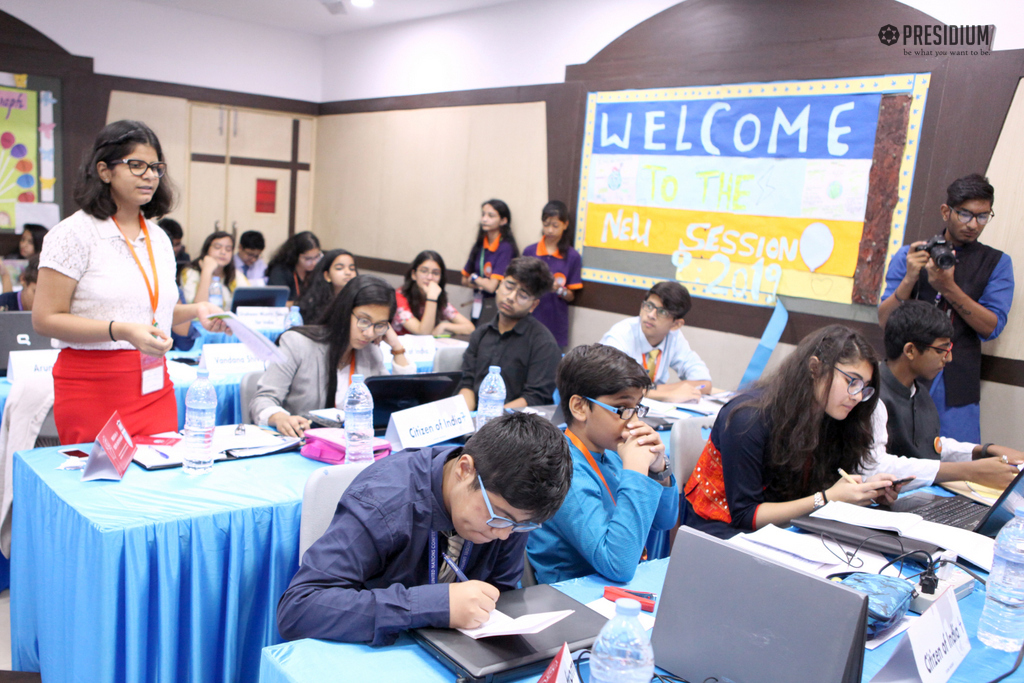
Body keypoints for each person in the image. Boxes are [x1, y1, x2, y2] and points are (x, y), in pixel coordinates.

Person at [277, 412, 573, 644]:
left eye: (520, 526)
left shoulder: (511, 512)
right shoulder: (383, 501)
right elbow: (299, 609)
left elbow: (502, 595)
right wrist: (432, 605)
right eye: (499, 516)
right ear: (464, 469)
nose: (504, 534)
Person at [33, 120, 226, 444]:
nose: (150, 175)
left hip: (154, 384)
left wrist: (197, 310)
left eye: (156, 167)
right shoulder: (73, 234)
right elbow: (45, 319)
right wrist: (121, 330)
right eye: (137, 165)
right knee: (101, 476)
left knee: (161, 472)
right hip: (93, 386)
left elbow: (151, 314)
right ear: (104, 171)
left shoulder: (159, 239)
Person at [683, 326, 900, 539]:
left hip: (788, 528)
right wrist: (827, 499)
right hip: (722, 532)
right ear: (815, 368)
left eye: (864, 387)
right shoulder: (748, 419)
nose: (857, 396)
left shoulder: (835, 419)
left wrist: (863, 494)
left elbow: (821, 490)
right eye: (852, 381)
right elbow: (746, 515)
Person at [877, 174, 1013, 443]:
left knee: (957, 458)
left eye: (983, 216)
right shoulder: (911, 255)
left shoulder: (996, 263)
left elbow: (992, 327)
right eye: (965, 214)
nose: (973, 225)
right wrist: (909, 279)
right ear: (945, 211)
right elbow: (885, 320)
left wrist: (947, 287)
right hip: (905, 372)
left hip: (957, 380)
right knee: (893, 451)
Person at [527, 344, 677, 583]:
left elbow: (664, 521)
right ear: (579, 407)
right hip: (571, 593)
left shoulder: (614, 451)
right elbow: (618, 565)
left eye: (637, 408)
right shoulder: (562, 471)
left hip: (610, 585)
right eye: (622, 409)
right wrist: (636, 472)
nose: (634, 422)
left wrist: (658, 470)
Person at [874, 300, 1021, 488]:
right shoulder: (872, 396)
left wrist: (983, 451)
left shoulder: (919, 393)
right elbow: (876, 465)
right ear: (910, 350)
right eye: (941, 350)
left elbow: (930, 446)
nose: (949, 358)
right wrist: (968, 471)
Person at [250, 274, 415, 438]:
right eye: (364, 321)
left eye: (379, 325)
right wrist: (280, 418)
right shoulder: (297, 343)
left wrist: (397, 347)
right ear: (344, 311)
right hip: (302, 441)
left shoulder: (370, 352)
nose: (369, 333)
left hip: (350, 444)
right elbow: (263, 399)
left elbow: (400, 402)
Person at [457, 256, 560, 410]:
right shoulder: (480, 334)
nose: (511, 298)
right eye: (509, 286)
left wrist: (491, 418)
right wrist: (467, 418)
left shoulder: (543, 344)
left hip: (516, 421)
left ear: (533, 305)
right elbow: (467, 383)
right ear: (499, 285)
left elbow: (534, 398)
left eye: (523, 295)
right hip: (477, 418)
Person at [600, 281, 712, 403]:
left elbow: (704, 383)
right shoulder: (620, 335)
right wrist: (667, 394)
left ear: (676, 324)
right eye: (649, 306)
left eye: (662, 312)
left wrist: (652, 390)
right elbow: (612, 387)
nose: (651, 315)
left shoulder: (674, 337)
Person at [522, 201, 582, 349]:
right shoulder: (530, 251)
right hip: (528, 316)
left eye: (555, 225)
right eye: (546, 224)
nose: (549, 230)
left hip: (555, 322)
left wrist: (558, 289)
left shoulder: (572, 256)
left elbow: (571, 296)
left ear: (565, 225)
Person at [461, 199, 519, 326]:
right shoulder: (480, 245)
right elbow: (464, 280)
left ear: (503, 220)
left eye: (491, 216)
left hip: (498, 305)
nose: (484, 219)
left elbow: (492, 287)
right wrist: (480, 283)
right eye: (483, 214)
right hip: (478, 301)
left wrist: (475, 278)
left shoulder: (505, 248)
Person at [393, 250, 474, 336]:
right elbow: (423, 332)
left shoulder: (437, 297)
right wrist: (431, 298)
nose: (430, 277)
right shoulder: (399, 296)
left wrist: (444, 326)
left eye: (435, 273)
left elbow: (470, 328)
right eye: (424, 271)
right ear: (413, 274)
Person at [180, 231, 249, 309]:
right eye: (217, 247)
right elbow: (198, 308)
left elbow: (250, 303)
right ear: (207, 250)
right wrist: (206, 271)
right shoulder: (190, 273)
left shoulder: (236, 275)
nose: (223, 252)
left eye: (228, 249)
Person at [295, 249, 358, 325]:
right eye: (339, 268)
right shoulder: (315, 302)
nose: (348, 272)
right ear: (327, 276)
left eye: (352, 269)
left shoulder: (358, 301)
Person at [266, 230, 322, 303]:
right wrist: (303, 304)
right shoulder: (281, 271)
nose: (314, 263)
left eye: (317, 257)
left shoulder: (319, 269)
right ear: (295, 256)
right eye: (308, 259)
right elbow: (276, 302)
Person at [2, 223, 46, 293]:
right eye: (23, 239)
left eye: (30, 242)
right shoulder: (11, 259)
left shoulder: (43, 266)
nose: (24, 245)